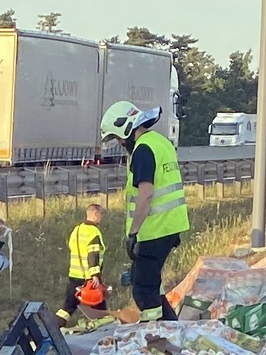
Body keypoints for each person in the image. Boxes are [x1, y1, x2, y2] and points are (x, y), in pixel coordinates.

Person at [100, 101, 188, 318]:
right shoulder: (160, 142)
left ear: (126, 128)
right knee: (152, 286)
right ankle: (171, 328)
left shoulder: (142, 150)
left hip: (153, 230)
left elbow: (146, 194)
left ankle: (157, 332)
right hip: (170, 225)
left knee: (143, 291)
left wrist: (133, 233)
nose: (120, 142)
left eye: (118, 137)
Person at [60, 203, 106, 320]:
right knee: (99, 305)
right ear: (95, 214)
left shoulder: (77, 229)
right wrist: (95, 275)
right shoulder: (93, 232)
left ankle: (55, 325)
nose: (101, 217)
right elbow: (93, 254)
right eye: (101, 214)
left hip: (74, 274)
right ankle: (102, 327)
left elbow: (72, 246)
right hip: (88, 277)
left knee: (68, 307)